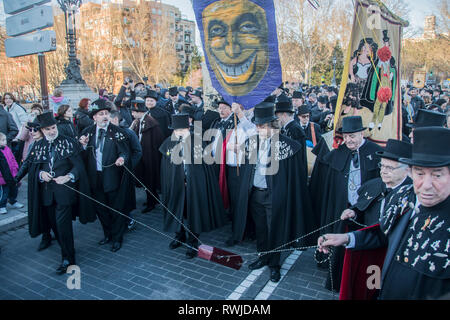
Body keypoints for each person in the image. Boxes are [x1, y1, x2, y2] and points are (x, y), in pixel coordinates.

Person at [318, 127, 450, 299]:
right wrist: (348, 238)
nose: (425, 184)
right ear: (410, 172)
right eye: (419, 173)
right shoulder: (402, 197)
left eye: (437, 175)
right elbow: (385, 233)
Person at [234, 102, 313, 283]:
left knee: (275, 229)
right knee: (261, 228)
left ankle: (275, 264)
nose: (259, 129)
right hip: (256, 193)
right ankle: (263, 256)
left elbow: (293, 176)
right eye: (257, 126)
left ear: (272, 125)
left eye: (262, 126)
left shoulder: (286, 145)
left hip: (274, 195)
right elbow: (247, 168)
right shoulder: (252, 142)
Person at [312, 116, 382, 291]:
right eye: (346, 136)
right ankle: (336, 277)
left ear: (362, 133)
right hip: (341, 206)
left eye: (352, 136)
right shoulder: (339, 152)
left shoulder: (375, 151)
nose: (348, 140)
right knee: (339, 243)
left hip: (366, 209)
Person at [27, 112, 96, 274]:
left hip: (64, 193)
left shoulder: (69, 142)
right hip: (47, 194)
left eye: (53, 127)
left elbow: (79, 166)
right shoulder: (37, 146)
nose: (51, 131)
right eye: (47, 129)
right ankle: (66, 249)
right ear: (42, 131)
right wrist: (40, 175)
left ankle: (68, 258)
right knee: (55, 226)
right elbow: (33, 169)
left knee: (63, 226)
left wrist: (68, 176)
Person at [159, 114, 226, 259]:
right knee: (178, 211)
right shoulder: (169, 143)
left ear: (188, 128)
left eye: (181, 129)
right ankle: (180, 235)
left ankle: (192, 242)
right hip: (176, 185)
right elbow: (166, 168)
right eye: (176, 130)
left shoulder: (198, 142)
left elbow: (204, 167)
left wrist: (192, 180)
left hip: (193, 185)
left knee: (193, 213)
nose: (179, 132)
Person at [79, 99, 131, 253]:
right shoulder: (86, 132)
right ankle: (107, 234)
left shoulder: (117, 132)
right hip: (94, 177)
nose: (104, 116)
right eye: (101, 114)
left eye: (106, 113)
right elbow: (80, 156)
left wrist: (122, 158)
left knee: (115, 207)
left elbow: (125, 151)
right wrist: (82, 145)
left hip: (112, 176)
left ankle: (117, 237)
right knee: (101, 208)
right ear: (94, 117)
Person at [15, 120, 55, 251]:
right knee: (41, 210)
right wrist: (16, 178)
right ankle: (46, 236)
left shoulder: (51, 143)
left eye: (34, 130)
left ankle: (60, 235)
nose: (32, 133)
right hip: (37, 185)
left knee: (53, 212)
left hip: (52, 185)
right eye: (30, 130)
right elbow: (27, 163)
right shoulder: (33, 145)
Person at [109, 110, 142, 231]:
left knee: (124, 197)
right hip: (111, 172)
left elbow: (137, 151)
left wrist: (129, 165)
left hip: (125, 171)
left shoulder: (128, 132)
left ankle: (128, 218)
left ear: (115, 120)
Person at [130, 100, 165, 213]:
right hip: (144, 156)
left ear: (139, 112)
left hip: (150, 157)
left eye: (134, 111)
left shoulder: (150, 122)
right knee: (146, 180)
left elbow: (158, 141)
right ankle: (152, 199)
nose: (132, 114)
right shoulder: (139, 121)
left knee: (150, 180)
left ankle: (152, 201)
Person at [0, 132, 22, 214]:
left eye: (5, 140)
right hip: (3, 177)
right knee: (4, 192)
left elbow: (13, 158)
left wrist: (16, 167)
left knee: (14, 189)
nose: (5, 141)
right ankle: (2, 205)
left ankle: (13, 201)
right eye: (2, 140)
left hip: (12, 174)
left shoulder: (7, 149)